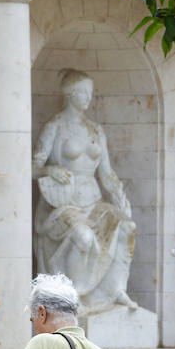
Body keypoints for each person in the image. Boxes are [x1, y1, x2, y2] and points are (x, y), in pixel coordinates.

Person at [33, 70, 136, 314]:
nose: (88, 97)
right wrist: (51, 170)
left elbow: (107, 173)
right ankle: (74, 298)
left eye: (90, 92)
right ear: (70, 94)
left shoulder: (95, 129)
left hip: (94, 200)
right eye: (83, 92)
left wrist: (120, 200)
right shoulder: (55, 126)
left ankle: (115, 288)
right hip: (64, 204)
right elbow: (32, 167)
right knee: (85, 237)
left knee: (127, 227)